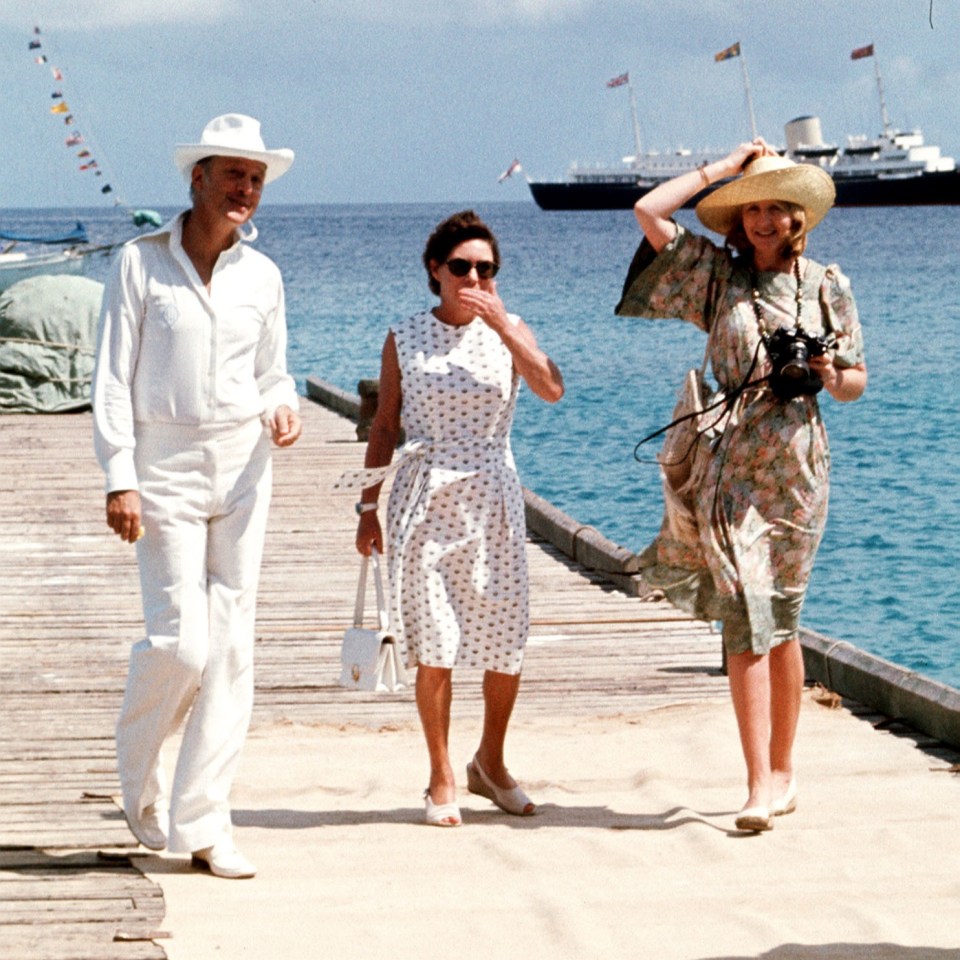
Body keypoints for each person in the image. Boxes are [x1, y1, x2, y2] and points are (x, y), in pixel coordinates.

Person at [617, 141, 867, 832]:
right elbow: (647, 209)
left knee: (780, 620)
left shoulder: (826, 285)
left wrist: (822, 369)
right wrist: (722, 169)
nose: (763, 219)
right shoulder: (715, 278)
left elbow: (854, 383)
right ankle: (757, 781)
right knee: (746, 618)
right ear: (739, 216)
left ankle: (784, 772)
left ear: (797, 216)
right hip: (730, 466)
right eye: (751, 207)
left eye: (775, 207)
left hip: (798, 469)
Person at [92, 114, 302, 877]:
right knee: (182, 642)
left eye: (255, 178)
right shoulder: (140, 264)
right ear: (199, 179)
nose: (245, 189)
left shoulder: (264, 276)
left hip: (245, 466)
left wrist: (284, 406)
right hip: (164, 466)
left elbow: (274, 371)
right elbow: (111, 377)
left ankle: (206, 824)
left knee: (233, 651)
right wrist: (121, 475)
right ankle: (137, 772)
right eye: (233, 175)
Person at [352, 210, 564, 826]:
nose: (474, 277)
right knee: (435, 640)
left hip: (493, 496)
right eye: (462, 267)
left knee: (506, 641)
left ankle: (490, 764)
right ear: (435, 271)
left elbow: (551, 389)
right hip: (423, 495)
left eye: (486, 268)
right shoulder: (406, 334)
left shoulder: (509, 327)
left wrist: (505, 325)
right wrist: (368, 507)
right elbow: (385, 424)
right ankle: (440, 773)